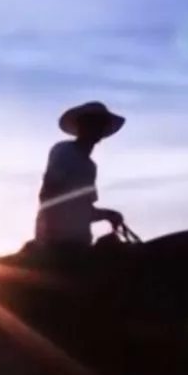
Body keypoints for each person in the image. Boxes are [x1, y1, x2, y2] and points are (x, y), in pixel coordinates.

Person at [29, 101, 128, 277]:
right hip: (57, 243)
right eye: (91, 122)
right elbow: (48, 193)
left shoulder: (91, 167)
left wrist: (108, 215)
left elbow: (84, 210)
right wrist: (51, 235)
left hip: (80, 243)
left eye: (99, 123)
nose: (95, 128)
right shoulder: (63, 151)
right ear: (81, 126)